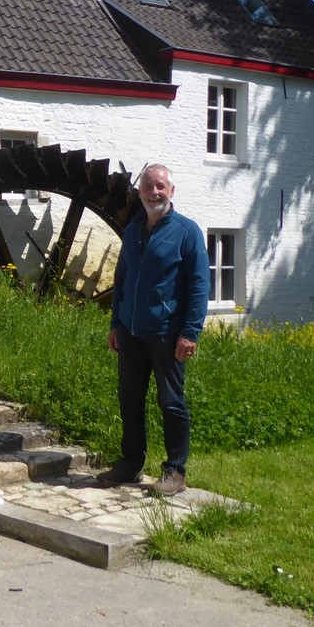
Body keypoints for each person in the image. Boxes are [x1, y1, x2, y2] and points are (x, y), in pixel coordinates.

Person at [98, 163, 209, 497]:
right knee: (129, 398)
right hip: (131, 331)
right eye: (148, 186)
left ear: (171, 191)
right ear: (140, 192)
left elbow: (200, 284)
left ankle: (175, 471)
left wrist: (190, 331)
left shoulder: (187, 232)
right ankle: (131, 463)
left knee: (171, 401)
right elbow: (122, 279)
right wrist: (116, 323)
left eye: (160, 186)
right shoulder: (132, 230)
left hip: (167, 333)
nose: (154, 192)